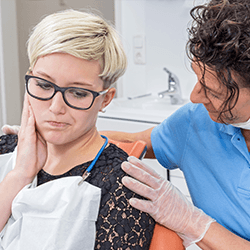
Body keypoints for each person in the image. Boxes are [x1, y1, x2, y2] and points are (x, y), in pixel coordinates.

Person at [95, 0, 250, 249]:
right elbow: (136, 143)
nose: (195, 96)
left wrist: (193, 222)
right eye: (198, 78)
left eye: (212, 91)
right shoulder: (196, 120)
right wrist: (60, 138)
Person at [0, 10, 155, 249]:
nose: (55, 107)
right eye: (43, 85)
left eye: (78, 93)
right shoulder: (5, 148)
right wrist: (19, 175)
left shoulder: (123, 186)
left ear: (106, 99)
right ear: (30, 78)